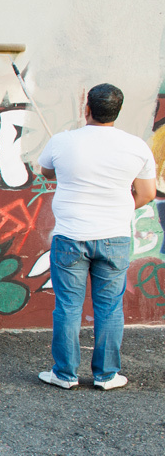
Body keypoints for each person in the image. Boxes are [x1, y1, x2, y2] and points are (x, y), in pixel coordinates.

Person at [37, 84, 156, 391]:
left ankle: (65, 374)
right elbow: (146, 193)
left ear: (86, 108)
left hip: (70, 237)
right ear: (118, 111)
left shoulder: (62, 141)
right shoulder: (136, 146)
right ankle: (106, 375)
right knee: (110, 308)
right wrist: (118, 208)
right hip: (114, 237)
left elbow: (46, 173)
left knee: (67, 307)